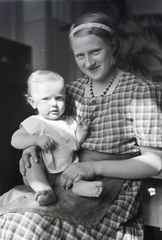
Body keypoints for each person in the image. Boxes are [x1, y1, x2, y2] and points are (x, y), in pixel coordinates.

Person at [0, 11, 162, 240]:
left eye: (95, 51)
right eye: (80, 55)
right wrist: (31, 148)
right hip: (67, 178)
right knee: (9, 219)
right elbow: (48, 127)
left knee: (27, 225)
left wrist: (91, 168)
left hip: (111, 187)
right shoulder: (71, 91)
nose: (89, 62)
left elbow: (154, 163)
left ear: (113, 46)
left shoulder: (140, 92)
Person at [11, 70, 102, 205]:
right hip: (43, 172)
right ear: (33, 102)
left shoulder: (70, 121)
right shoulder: (35, 121)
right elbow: (15, 139)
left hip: (66, 170)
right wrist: (36, 140)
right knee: (32, 162)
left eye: (59, 98)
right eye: (46, 99)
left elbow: (75, 144)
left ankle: (81, 187)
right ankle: (45, 191)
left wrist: (81, 132)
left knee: (75, 176)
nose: (53, 104)